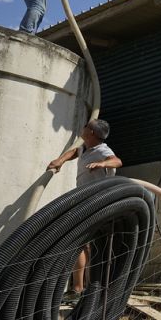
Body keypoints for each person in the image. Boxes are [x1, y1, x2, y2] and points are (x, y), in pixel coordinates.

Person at [47, 119, 123, 293]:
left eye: (86, 126)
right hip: (83, 200)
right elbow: (74, 152)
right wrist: (60, 160)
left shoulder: (103, 150)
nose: (82, 128)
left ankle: (84, 288)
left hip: (97, 202)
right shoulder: (86, 149)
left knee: (87, 244)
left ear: (92, 133)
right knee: (82, 244)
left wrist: (103, 163)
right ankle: (80, 288)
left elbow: (117, 161)